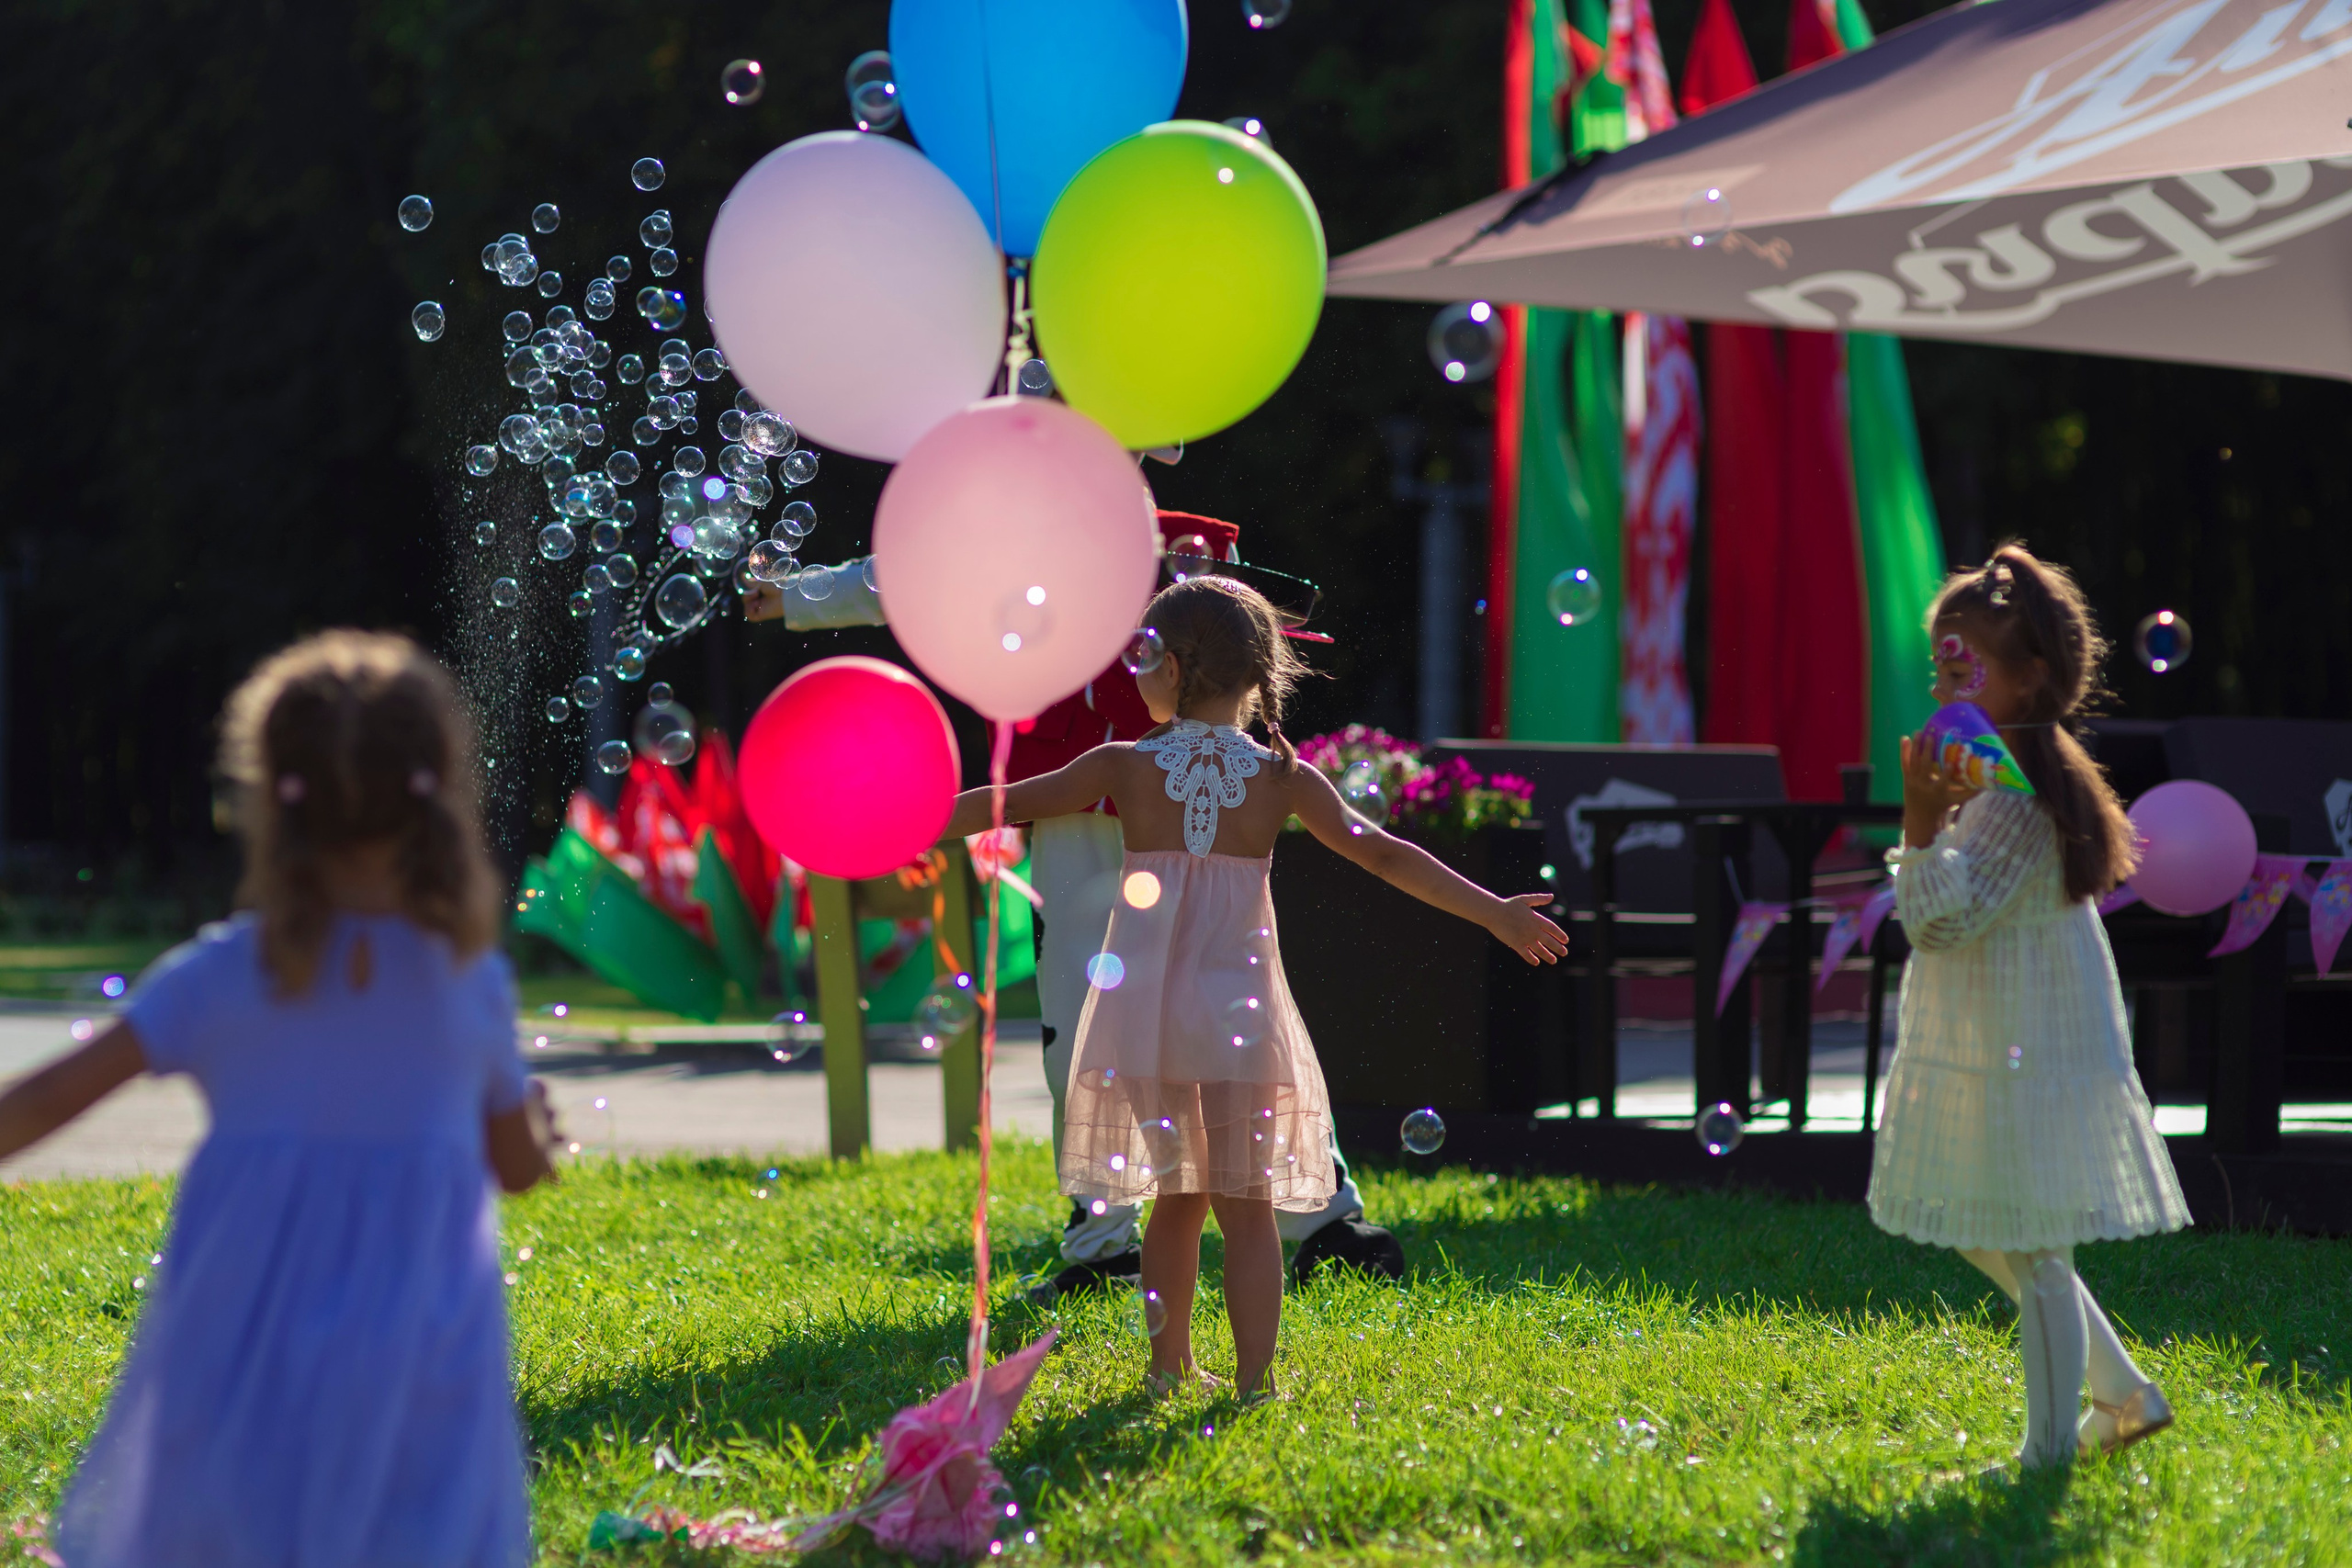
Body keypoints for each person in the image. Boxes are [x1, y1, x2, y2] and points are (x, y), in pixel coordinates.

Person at [0, 631, 560, 1566]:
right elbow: (519, 1164)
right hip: (419, 1359)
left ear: (271, 798)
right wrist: (536, 1123)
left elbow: (50, 1096)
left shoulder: (225, 974)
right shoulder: (468, 983)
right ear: (434, 796)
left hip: (240, 1349)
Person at [752, 509, 1409, 1298]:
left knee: (1242, 1021)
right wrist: (801, 596)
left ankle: (1325, 1222)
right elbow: (927, 574)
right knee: (1080, 1028)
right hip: (1082, 800)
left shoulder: (1172, 539)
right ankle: (1103, 1242)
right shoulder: (1022, 526)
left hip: (1174, 795)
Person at [944, 574, 1566, 1397]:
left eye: (1142, 660)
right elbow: (1385, 854)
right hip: (1238, 1018)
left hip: (1150, 1019)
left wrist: (897, 818)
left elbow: (1002, 801)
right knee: (1247, 1209)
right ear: (1259, 674)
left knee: (1176, 1203)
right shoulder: (1281, 777)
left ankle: (1168, 1369)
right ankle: (1255, 1380)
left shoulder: (1122, 765)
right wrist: (1493, 912)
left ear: (1168, 668)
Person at [1871, 544, 2189, 1470]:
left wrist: (1920, 821)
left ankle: (2047, 1456)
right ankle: (2126, 1394)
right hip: (2004, 1042)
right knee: (1987, 1230)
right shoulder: (2001, 777)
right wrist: (1936, 816)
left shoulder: (2015, 799)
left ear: (2032, 677)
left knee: (2037, 1251)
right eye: (1940, 667)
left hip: (2032, 1050)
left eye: (1963, 667)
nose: (1942, 685)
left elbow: (1941, 924)